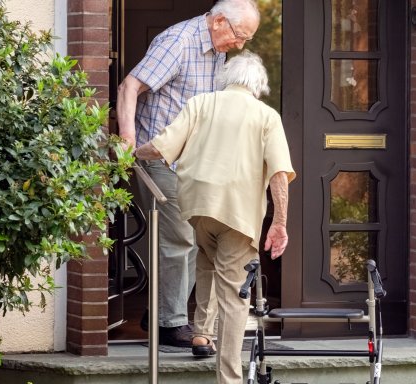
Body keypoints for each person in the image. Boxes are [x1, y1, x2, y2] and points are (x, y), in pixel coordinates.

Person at [134, 51, 295, 384]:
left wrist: (132, 151)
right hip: (237, 213)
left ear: (227, 78)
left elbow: (162, 147)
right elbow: (279, 174)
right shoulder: (266, 116)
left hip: (197, 207)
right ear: (258, 86)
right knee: (236, 297)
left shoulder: (201, 103)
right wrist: (279, 224)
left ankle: (202, 334)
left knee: (207, 261)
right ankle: (229, 378)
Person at [116, 0, 261, 348]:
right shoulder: (179, 42)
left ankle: (163, 312)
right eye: (240, 36)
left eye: (245, 40)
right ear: (220, 22)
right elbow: (129, 86)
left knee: (196, 236)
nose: (240, 45)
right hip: (161, 158)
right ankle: (170, 324)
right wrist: (127, 139)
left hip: (194, 162)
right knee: (180, 238)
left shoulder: (216, 49)